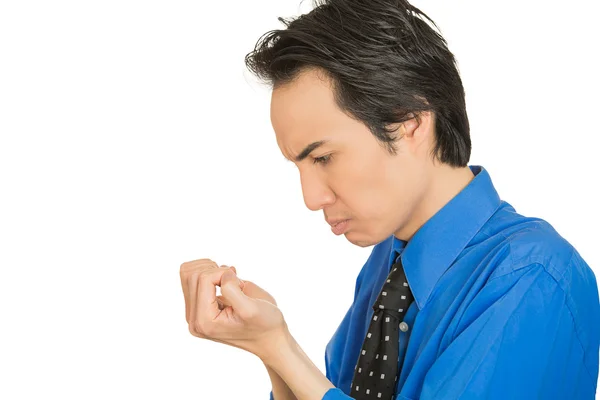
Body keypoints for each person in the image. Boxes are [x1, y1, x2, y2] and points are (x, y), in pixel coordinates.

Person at [179, 0, 600, 398]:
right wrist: (269, 348)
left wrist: (278, 347)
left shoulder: (532, 277)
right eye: (298, 165)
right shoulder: (387, 265)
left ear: (411, 124)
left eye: (323, 157)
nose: (310, 197)